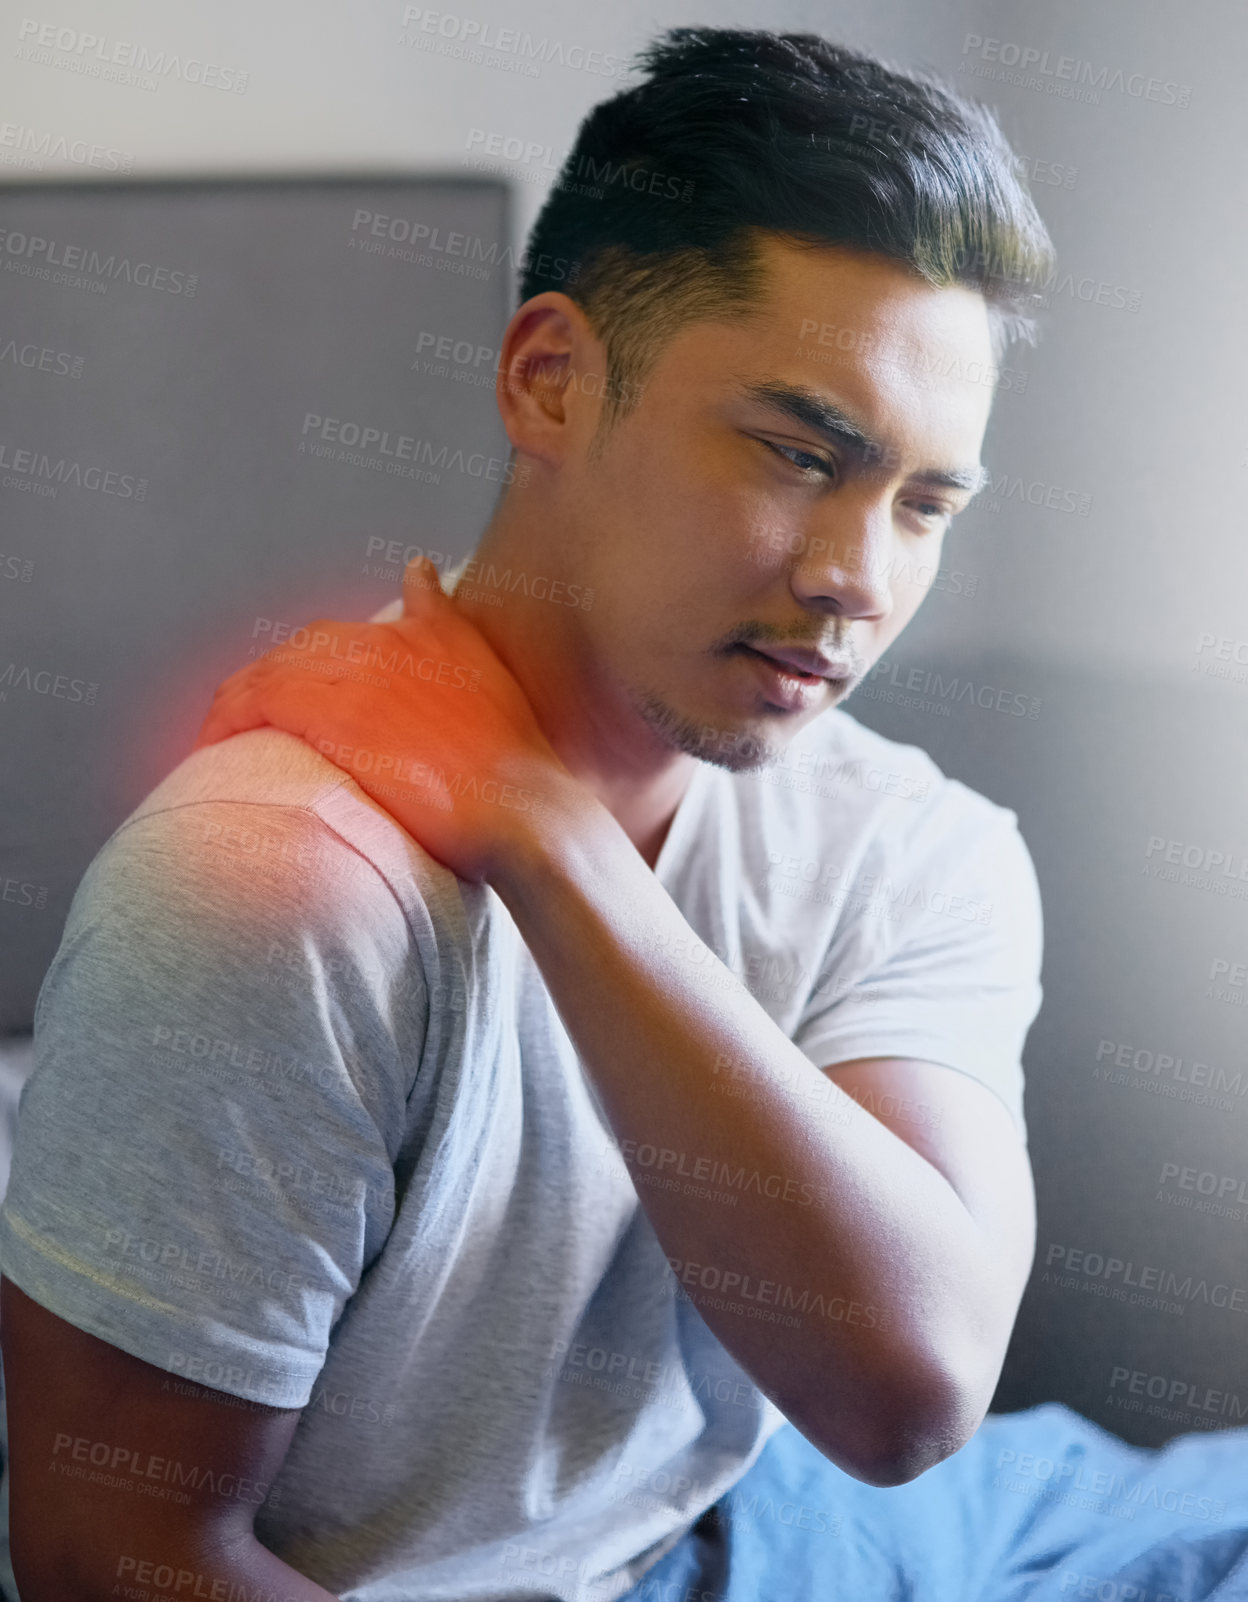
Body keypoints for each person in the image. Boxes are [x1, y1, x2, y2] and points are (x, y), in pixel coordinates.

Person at [4, 24, 1247, 1602]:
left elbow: (913, 1394)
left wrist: (545, 835)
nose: (860, 579)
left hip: (815, 1515)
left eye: (927, 501)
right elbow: (108, 1554)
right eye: (801, 452)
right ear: (549, 380)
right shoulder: (267, 889)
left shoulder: (912, 840)